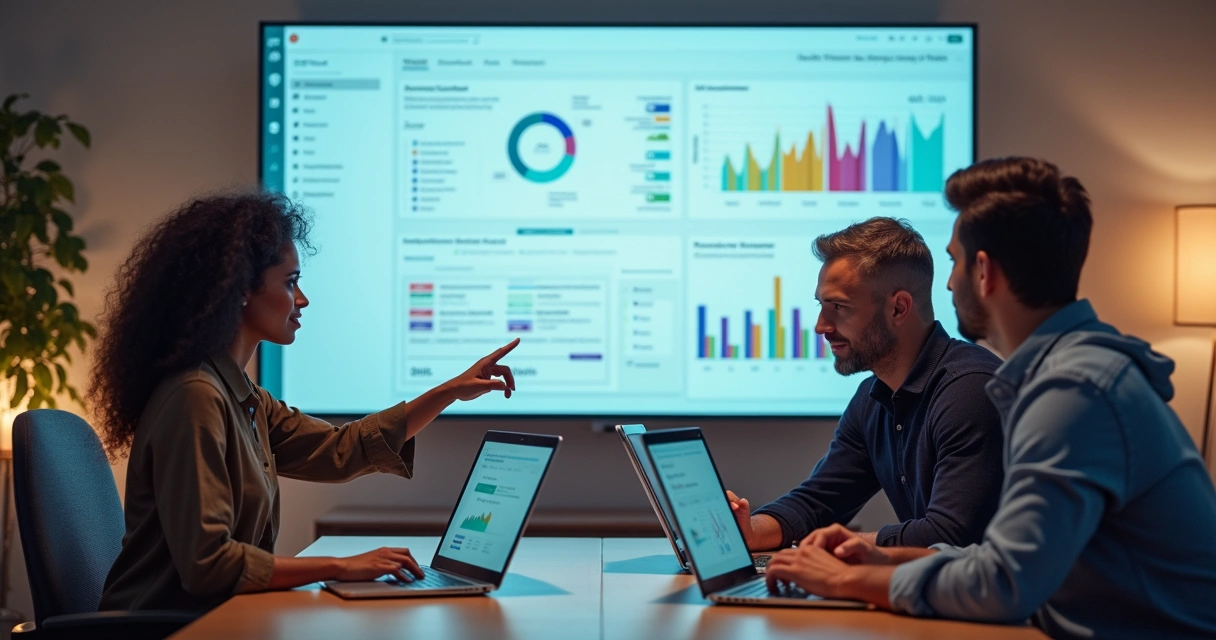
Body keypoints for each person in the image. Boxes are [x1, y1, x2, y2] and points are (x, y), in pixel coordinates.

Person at [763, 158, 1216, 640]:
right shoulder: (1070, 375)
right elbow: (1006, 559)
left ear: (984, 272)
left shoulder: (1073, 391)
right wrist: (881, 558)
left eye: (954, 261)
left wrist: (845, 579)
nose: (949, 282)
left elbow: (1003, 584)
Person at [90, 193, 519, 611]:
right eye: (290, 282)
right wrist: (341, 567)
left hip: (212, 616)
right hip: (162, 628)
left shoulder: (239, 395)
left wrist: (449, 391)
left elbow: (338, 450)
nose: (302, 299)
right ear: (240, 289)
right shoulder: (195, 397)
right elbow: (210, 565)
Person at [728, 217, 1005, 552]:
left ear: (898, 308)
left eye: (839, 307)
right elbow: (818, 502)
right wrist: (750, 531)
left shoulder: (970, 391)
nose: (821, 326)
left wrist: (838, 546)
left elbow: (950, 536)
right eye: (821, 306)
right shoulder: (873, 398)